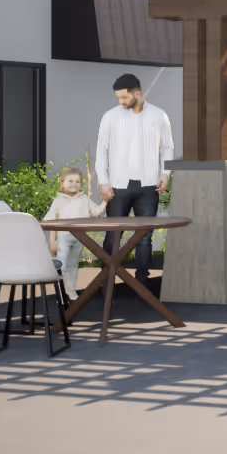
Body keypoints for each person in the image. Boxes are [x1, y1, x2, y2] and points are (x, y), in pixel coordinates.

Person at [94, 73, 175, 283]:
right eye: (118, 98)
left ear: (137, 93)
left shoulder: (159, 116)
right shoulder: (110, 117)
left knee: (145, 237)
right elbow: (101, 151)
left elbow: (168, 148)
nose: (120, 102)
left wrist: (166, 174)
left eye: (123, 97)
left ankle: (142, 281)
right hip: (117, 186)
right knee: (113, 235)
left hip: (149, 186)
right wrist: (103, 181)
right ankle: (107, 278)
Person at [44, 167, 103, 297]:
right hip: (63, 238)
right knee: (62, 265)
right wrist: (52, 242)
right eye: (70, 181)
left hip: (80, 239)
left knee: (74, 265)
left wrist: (106, 201)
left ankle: (70, 289)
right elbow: (51, 222)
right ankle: (59, 291)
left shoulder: (84, 199)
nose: (74, 184)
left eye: (77, 182)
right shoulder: (58, 201)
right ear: (62, 183)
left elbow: (96, 212)